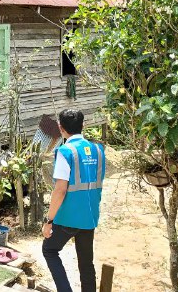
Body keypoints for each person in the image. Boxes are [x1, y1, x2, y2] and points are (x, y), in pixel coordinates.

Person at [42, 109, 105, 292]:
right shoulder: (98, 150)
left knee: (50, 250)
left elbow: (60, 190)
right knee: (86, 264)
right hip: (90, 216)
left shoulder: (65, 151)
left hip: (68, 217)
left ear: (61, 128)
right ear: (83, 126)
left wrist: (49, 221)